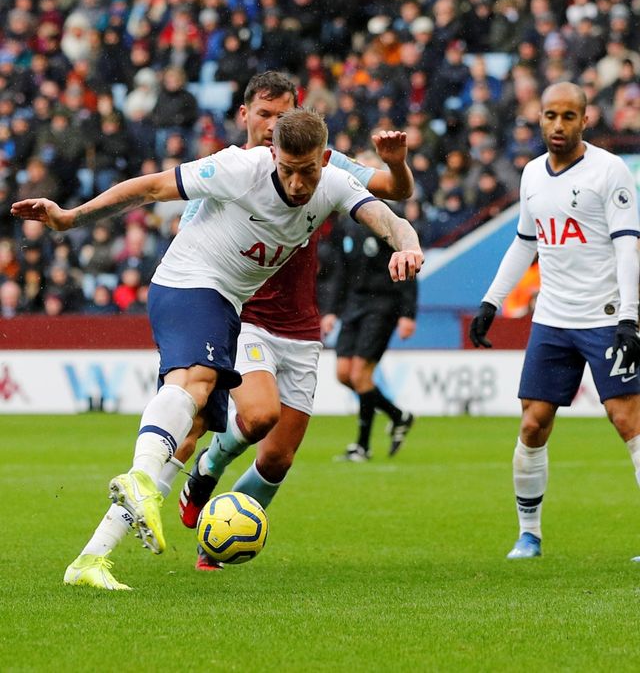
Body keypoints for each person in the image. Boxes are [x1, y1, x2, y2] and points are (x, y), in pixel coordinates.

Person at [12, 105, 422, 590]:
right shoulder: (238, 168)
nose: (296, 184)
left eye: (307, 171)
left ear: (323, 158)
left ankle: (90, 559)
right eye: (287, 171)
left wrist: (407, 245)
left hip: (228, 304)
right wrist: (70, 218)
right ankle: (141, 478)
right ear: (273, 156)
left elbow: (389, 216)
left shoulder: (333, 181)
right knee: (196, 383)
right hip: (190, 282)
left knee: (193, 427)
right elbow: (150, 187)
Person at [175, 72, 414, 570]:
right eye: (265, 114)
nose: (273, 125)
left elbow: (393, 192)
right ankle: (202, 471)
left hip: (299, 325)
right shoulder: (224, 171)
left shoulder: (324, 163)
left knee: (278, 457)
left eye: (283, 115)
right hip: (240, 314)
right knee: (256, 416)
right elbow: (190, 243)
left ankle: (214, 543)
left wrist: (397, 165)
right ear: (245, 115)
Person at [469, 81, 640, 559]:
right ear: (539, 118)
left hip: (605, 315)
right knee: (532, 424)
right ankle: (529, 534)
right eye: (550, 116)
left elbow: (628, 244)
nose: (558, 125)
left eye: (568, 116)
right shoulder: (531, 175)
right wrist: (491, 302)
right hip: (553, 318)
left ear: (585, 120)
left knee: (628, 420)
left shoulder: (610, 171)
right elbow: (526, 241)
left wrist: (629, 316)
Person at [321, 154, 417, 462]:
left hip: (383, 304)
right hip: (355, 304)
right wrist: (332, 310)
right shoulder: (347, 220)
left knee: (361, 375)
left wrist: (407, 313)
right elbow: (340, 271)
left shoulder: (391, 217)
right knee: (343, 374)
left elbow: (409, 265)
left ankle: (362, 446)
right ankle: (398, 415)